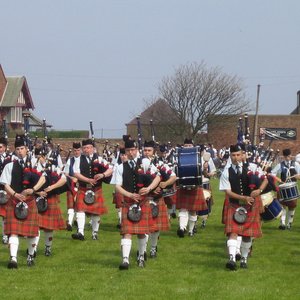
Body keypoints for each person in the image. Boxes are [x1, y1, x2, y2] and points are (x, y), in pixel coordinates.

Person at [219, 144, 267, 270]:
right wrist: (243, 198)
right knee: (233, 232)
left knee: (247, 235)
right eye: (233, 155)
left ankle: (244, 258)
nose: (236, 158)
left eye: (238, 155)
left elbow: (266, 179)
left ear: (243, 155)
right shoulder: (226, 171)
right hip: (235, 205)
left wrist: (259, 191)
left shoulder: (253, 167)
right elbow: (228, 192)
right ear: (230, 156)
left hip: (250, 207)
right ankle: (232, 258)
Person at [115, 139, 160, 270]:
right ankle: (125, 260)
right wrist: (129, 195)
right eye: (128, 150)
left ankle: (141, 256)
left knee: (141, 232)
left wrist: (149, 188)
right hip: (128, 202)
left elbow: (157, 177)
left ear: (137, 150)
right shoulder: (120, 167)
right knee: (127, 232)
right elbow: (117, 186)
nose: (130, 153)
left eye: (133, 150)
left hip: (143, 201)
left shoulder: (145, 162)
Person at [0, 135, 40, 268]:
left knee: (32, 233)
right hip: (14, 200)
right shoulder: (9, 165)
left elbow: (44, 179)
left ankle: (30, 255)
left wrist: (33, 190)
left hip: (30, 201)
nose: (20, 151)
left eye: (22, 148)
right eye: (17, 149)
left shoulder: (35, 163)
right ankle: (13, 259)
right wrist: (15, 194)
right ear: (15, 150)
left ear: (27, 149)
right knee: (13, 231)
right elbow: (5, 184)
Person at [72, 139, 113, 240]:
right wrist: (87, 180)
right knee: (80, 210)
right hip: (83, 187)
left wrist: (103, 174)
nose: (86, 150)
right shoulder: (78, 159)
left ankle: (95, 233)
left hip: (96, 189)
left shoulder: (99, 159)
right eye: (84, 148)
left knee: (96, 212)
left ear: (93, 148)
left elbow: (111, 169)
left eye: (88, 147)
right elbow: (76, 173)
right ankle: (80, 232)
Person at [142, 140, 172, 259]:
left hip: (157, 199)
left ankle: (153, 248)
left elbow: (173, 176)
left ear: (154, 152)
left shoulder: (160, 164)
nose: (146, 152)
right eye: (145, 150)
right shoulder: (138, 164)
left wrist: (163, 184)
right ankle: (143, 250)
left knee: (155, 228)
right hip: (144, 199)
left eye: (149, 150)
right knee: (144, 227)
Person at [176, 139, 208, 237]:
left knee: (193, 209)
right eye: (186, 145)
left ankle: (190, 230)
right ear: (183, 146)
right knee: (183, 208)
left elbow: (206, 174)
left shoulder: (200, 156)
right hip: (183, 184)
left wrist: (205, 168)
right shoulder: (179, 156)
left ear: (193, 146)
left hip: (196, 185)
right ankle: (182, 228)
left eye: (190, 145)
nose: (188, 147)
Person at [271, 148, 300, 230]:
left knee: (292, 206)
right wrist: (278, 179)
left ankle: (289, 223)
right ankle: (282, 223)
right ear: (283, 156)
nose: (288, 157)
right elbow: (272, 174)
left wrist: (298, 176)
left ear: (291, 155)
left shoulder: (296, 164)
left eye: (289, 156)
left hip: (292, 187)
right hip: (283, 187)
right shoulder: (280, 165)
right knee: (283, 205)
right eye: (286, 156)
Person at [64, 142, 82, 231]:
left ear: (81, 150)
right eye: (75, 150)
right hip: (71, 185)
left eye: (78, 150)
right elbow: (66, 173)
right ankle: (69, 223)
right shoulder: (70, 160)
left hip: (82, 186)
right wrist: (72, 178)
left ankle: (79, 224)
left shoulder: (84, 160)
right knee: (71, 204)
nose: (76, 152)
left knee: (80, 206)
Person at [0, 137, 13, 244]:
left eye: (0, 147)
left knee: (4, 214)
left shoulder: (9, 158)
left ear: (4, 147)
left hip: (5, 188)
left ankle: (5, 235)